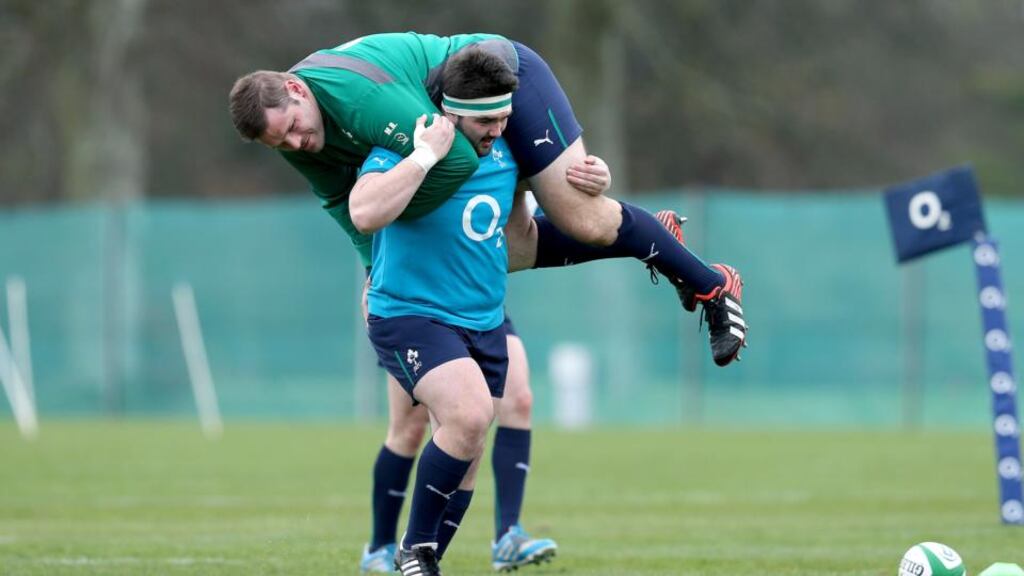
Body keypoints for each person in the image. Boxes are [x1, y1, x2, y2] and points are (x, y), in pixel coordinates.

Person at [228, 32, 747, 368]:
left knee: (584, 218)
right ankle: (650, 237)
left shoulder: (358, 99)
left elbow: (454, 160)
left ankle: (712, 286)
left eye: (293, 128)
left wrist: (397, 221)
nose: (294, 144)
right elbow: (347, 211)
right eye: (280, 143)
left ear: (296, 89)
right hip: (460, 123)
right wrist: (374, 271)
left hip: (501, 79)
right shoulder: (297, 135)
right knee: (507, 250)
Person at [352, 46, 525, 575]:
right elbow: (363, 211)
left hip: (483, 322)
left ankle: (423, 560)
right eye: (485, 120)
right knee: (462, 416)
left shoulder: (508, 155)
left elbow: (523, 238)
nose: (497, 129)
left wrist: (593, 183)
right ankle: (407, 549)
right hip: (409, 315)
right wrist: (424, 156)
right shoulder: (406, 147)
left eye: (504, 118)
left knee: (467, 454)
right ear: (451, 112)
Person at [360, 318, 557, 573]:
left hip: (480, 306)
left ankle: (507, 534)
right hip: (420, 308)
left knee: (515, 403)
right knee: (410, 430)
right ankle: (382, 547)